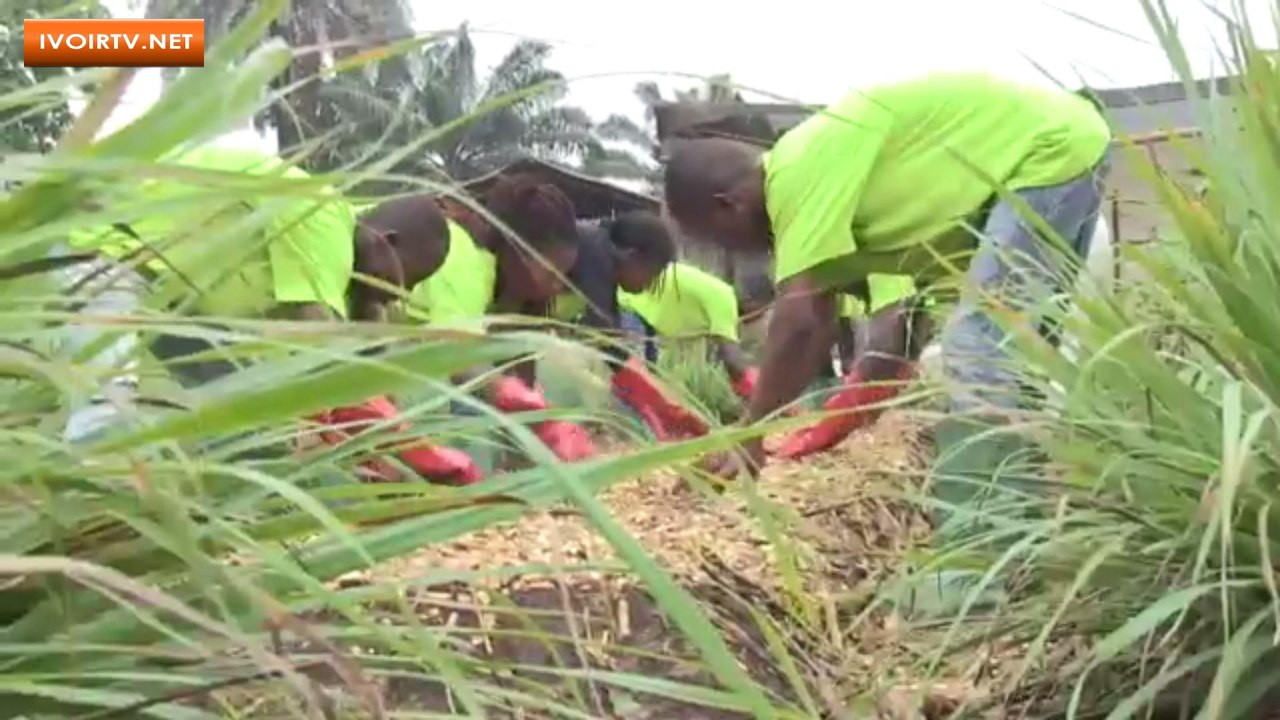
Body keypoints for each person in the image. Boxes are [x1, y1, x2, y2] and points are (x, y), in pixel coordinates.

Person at [660, 72, 1112, 500]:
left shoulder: (795, 174)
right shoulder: (842, 209)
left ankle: (985, 537)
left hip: (1047, 151)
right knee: (1021, 357)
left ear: (729, 206)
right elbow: (838, 327)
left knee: (978, 351)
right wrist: (845, 416)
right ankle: (1038, 506)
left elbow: (796, 320)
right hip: (1064, 145)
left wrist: (749, 434)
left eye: (718, 239)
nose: (735, 253)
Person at [60, 145, 480, 484]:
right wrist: (417, 451)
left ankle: (227, 519)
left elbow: (360, 364)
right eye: (403, 281)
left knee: (247, 425)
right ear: (388, 241)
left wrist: (377, 445)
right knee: (106, 413)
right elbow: (330, 363)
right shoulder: (322, 221)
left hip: (175, 298)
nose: (396, 296)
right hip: (105, 249)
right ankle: (85, 531)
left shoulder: (339, 255)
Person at [361, 174, 598, 463]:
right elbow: (457, 359)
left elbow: (510, 370)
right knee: (473, 393)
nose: (558, 287)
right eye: (552, 274)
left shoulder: (500, 290)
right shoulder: (468, 264)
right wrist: (540, 420)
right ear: (518, 253)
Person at [542, 211, 714, 441]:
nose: (650, 285)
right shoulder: (596, 253)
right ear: (633, 256)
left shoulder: (600, 254)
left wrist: (648, 405)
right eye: (654, 274)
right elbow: (605, 340)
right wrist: (667, 405)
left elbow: (610, 343)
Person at [616, 262, 762, 422]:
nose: (759, 317)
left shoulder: (718, 293)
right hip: (628, 303)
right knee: (636, 377)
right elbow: (730, 358)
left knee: (650, 379)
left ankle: (646, 425)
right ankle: (630, 428)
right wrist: (756, 396)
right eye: (761, 310)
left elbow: (721, 354)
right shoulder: (724, 298)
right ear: (751, 301)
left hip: (641, 308)